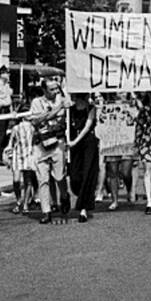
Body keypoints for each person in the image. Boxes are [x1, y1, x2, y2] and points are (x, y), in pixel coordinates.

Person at [27, 78, 70, 224]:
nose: (55, 92)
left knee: (59, 176)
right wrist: (57, 109)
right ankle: (46, 211)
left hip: (58, 142)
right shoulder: (37, 102)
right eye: (52, 89)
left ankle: (64, 195)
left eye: (56, 88)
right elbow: (36, 120)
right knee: (42, 179)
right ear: (44, 90)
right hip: (41, 144)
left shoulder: (63, 100)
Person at [66, 92, 99, 222]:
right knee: (74, 177)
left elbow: (87, 127)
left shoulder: (91, 108)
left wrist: (75, 141)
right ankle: (82, 197)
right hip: (75, 146)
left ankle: (83, 208)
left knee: (87, 174)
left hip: (88, 143)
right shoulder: (70, 110)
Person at [5, 110, 39, 215]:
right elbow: (11, 142)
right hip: (18, 154)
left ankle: (24, 203)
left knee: (27, 180)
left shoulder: (33, 128)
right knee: (17, 180)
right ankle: (19, 200)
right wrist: (9, 155)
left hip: (28, 154)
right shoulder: (16, 128)